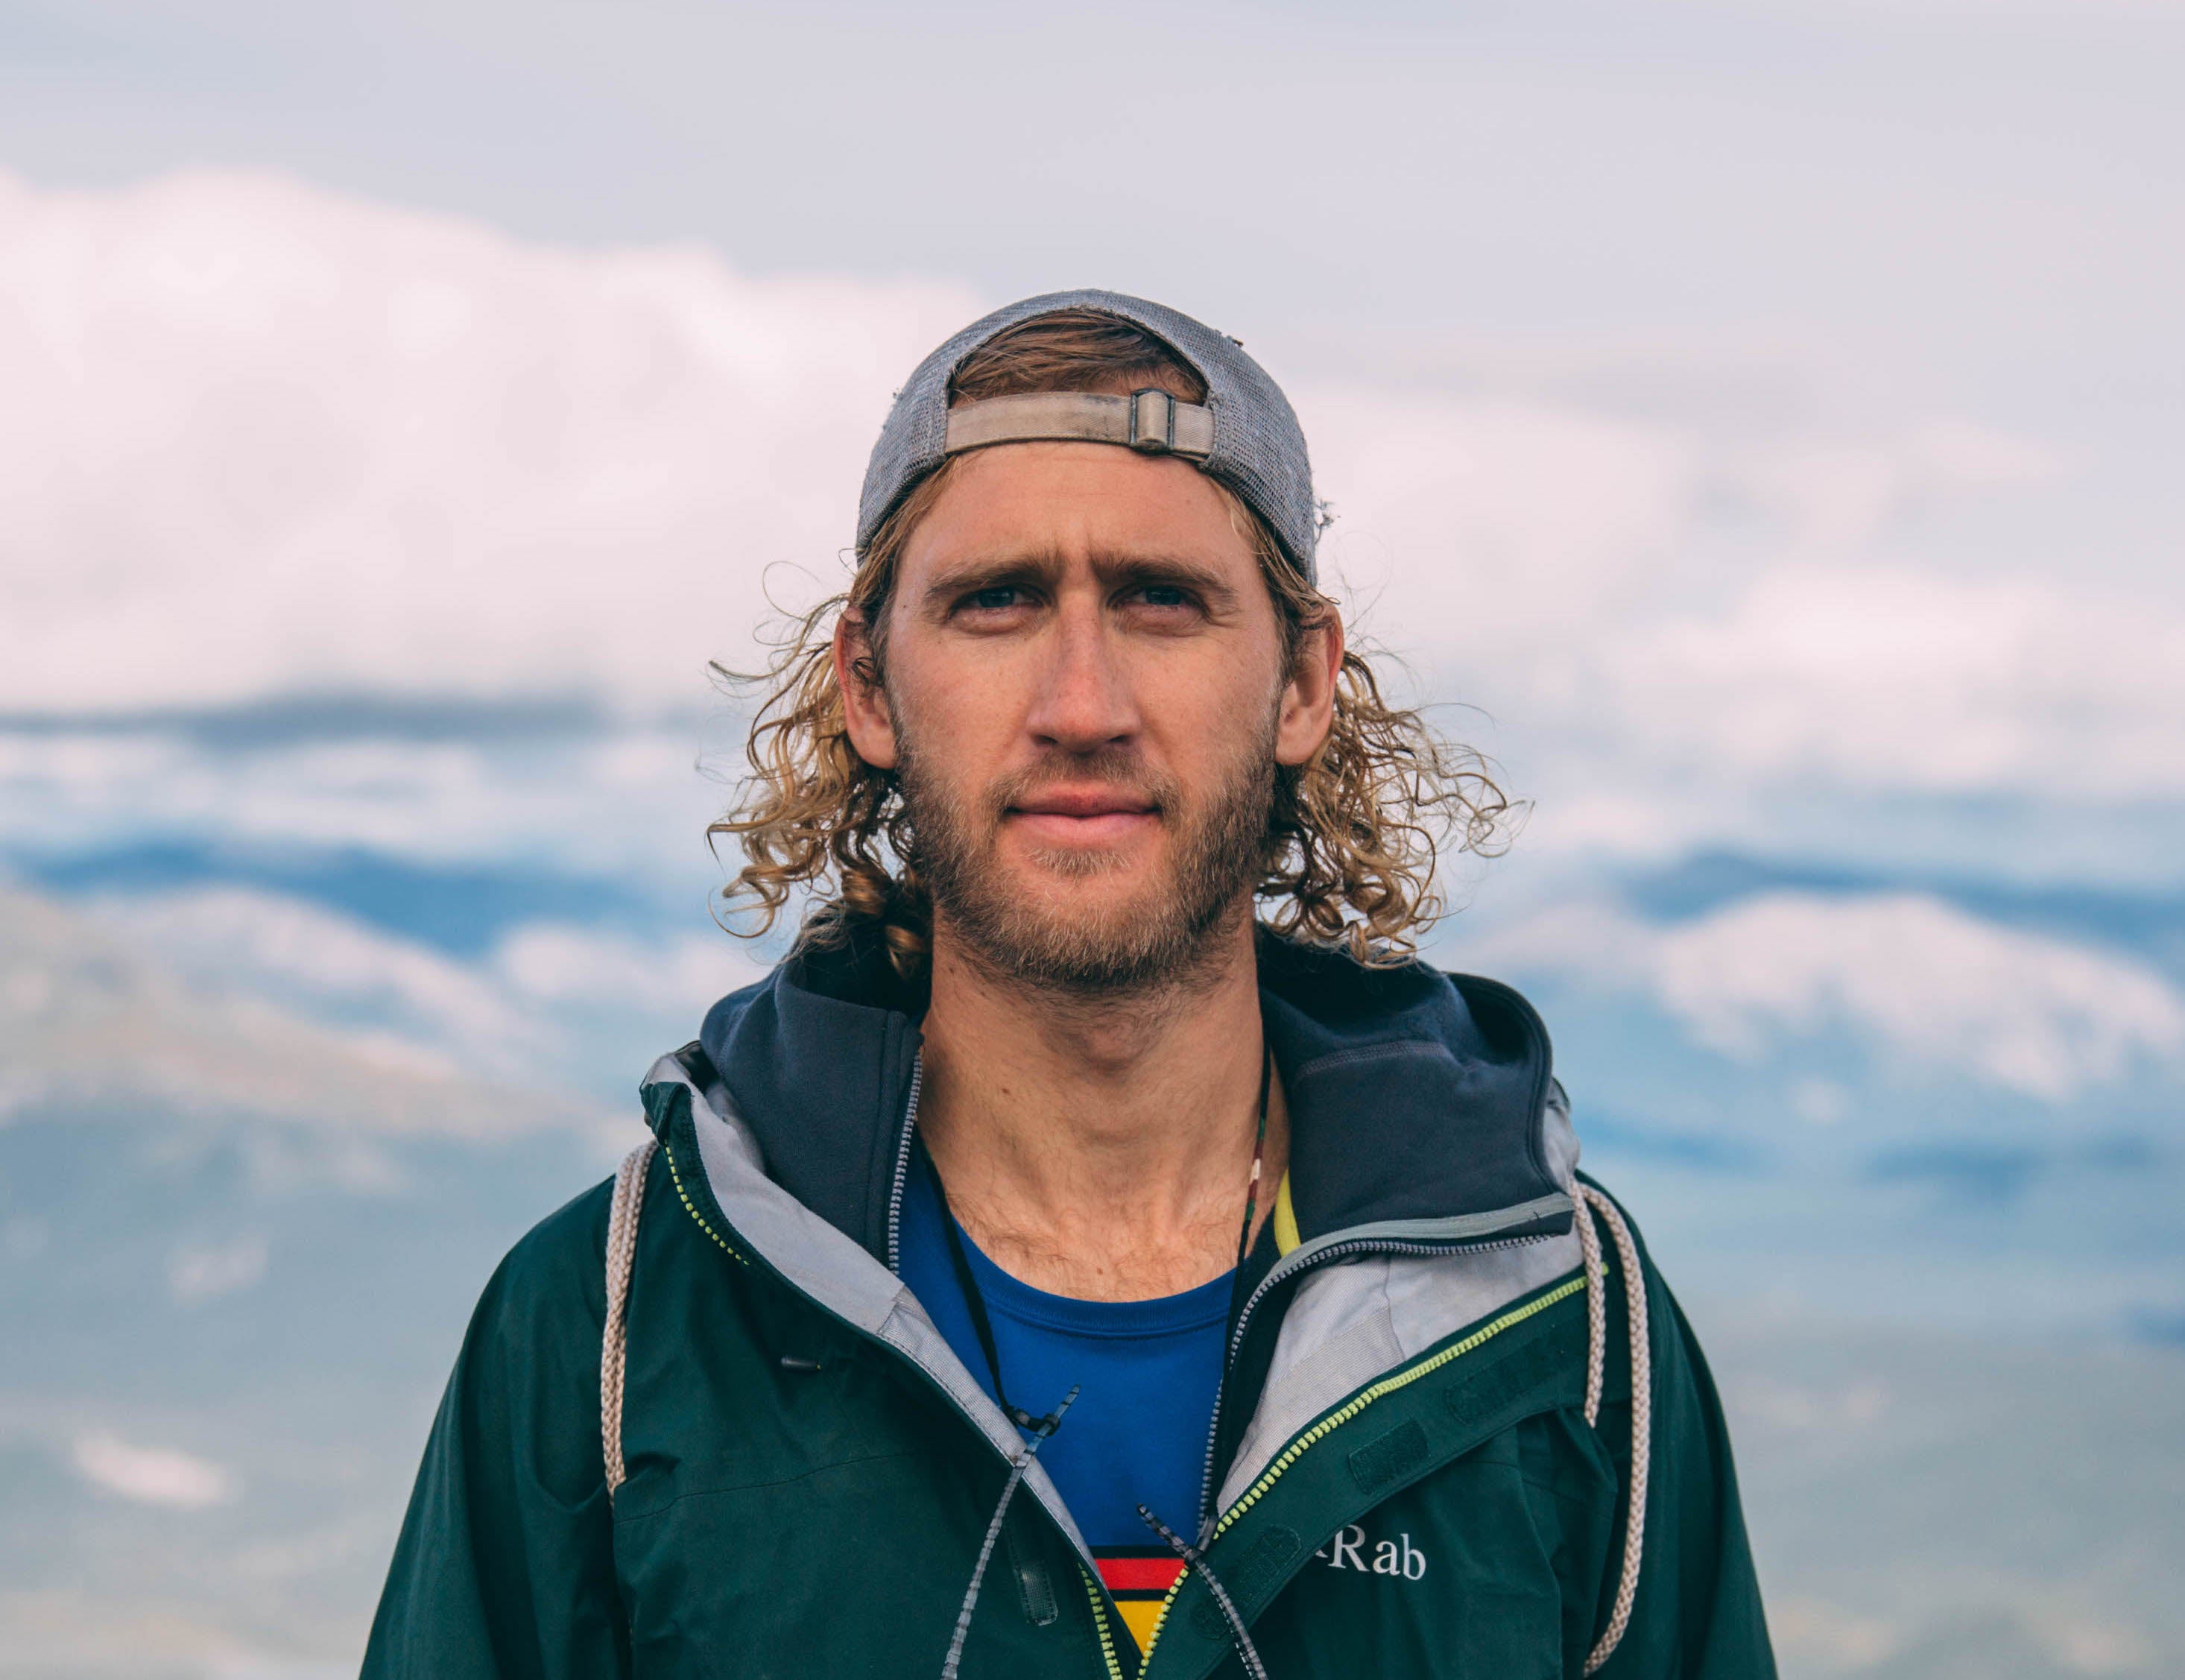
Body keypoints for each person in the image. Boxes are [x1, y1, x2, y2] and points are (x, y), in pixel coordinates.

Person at [364, 291, 1776, 1679]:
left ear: (1301, 685)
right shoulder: (620, 1322)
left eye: (1163, 602)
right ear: (869, 683)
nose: (1082, 703)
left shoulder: (1559, 1327)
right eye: (997, 602)